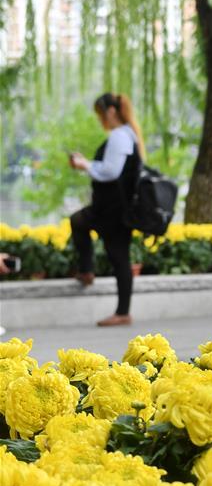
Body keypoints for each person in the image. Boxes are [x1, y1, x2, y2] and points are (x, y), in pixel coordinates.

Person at [68, 92, 146, 327]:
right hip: (111, 207)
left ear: (111, 112)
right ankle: (87, 271)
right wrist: (88, 165)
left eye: (100, 114)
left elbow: (111, 171)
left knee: (119, 255)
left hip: (113, 209)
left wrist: (84, 164)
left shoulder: (120, 136)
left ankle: (122, 312)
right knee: (80, 223)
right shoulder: (128, 134)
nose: (100, 119)